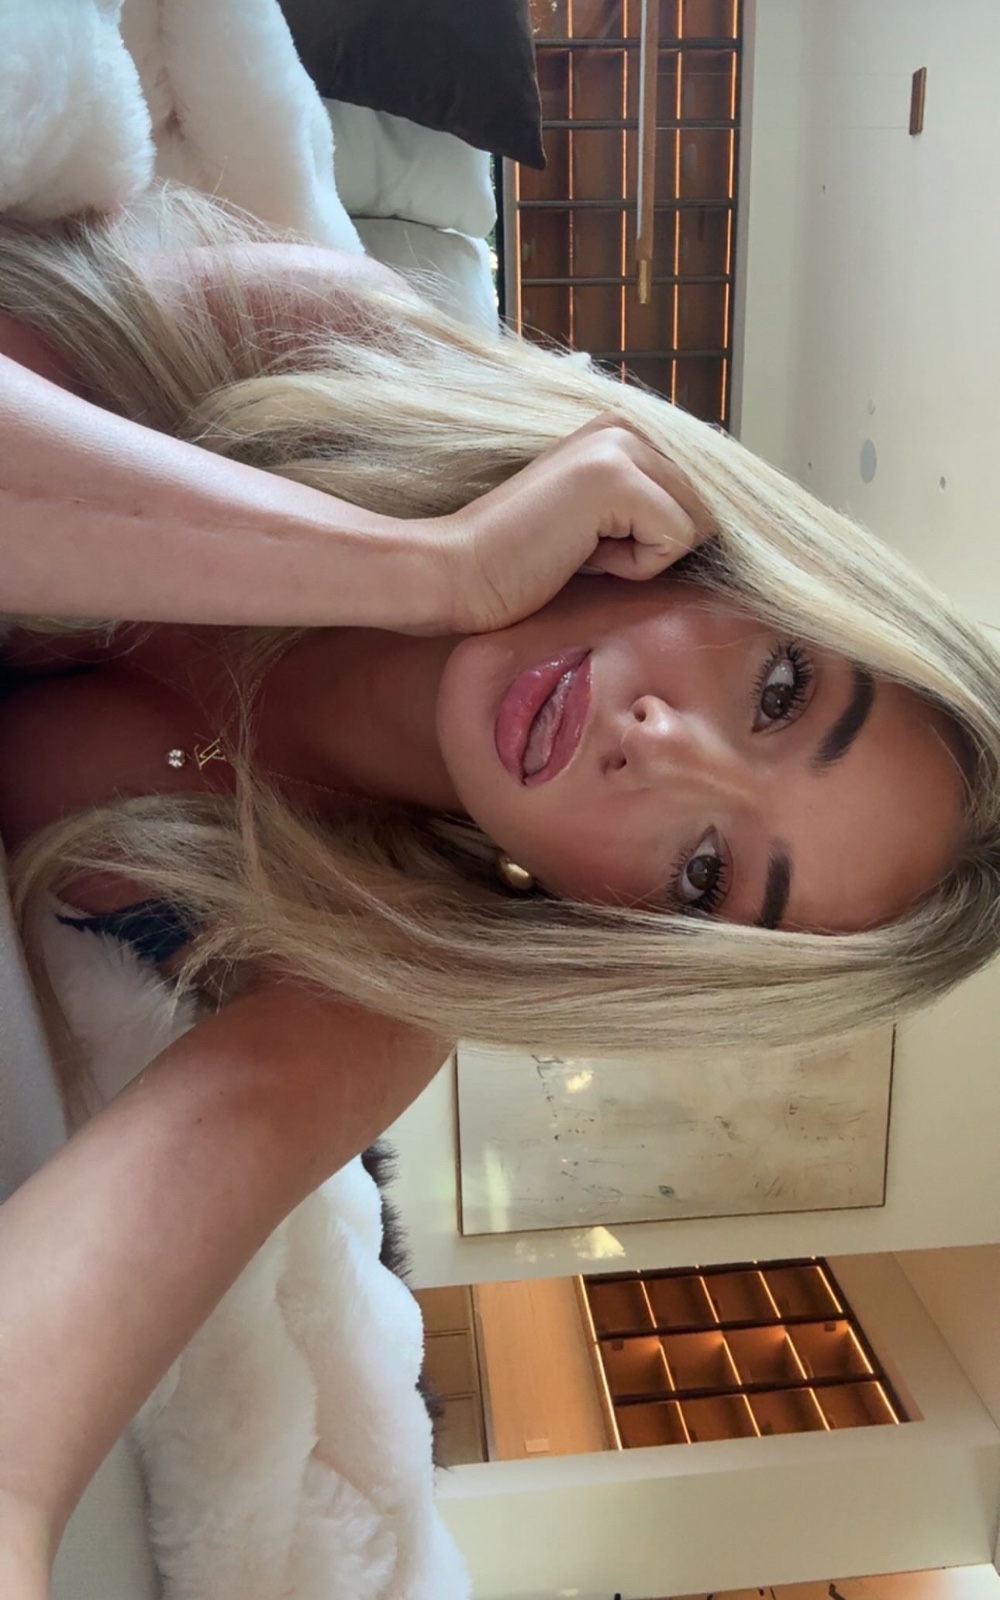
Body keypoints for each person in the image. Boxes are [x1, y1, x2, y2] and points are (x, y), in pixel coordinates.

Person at [0, 187, 997, 1587]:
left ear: (629, 932)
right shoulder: (339, 349)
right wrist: (428, 572)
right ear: (754, 569)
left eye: (707, 871)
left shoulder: (369, 991)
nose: (658, 749)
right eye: (778, 689)